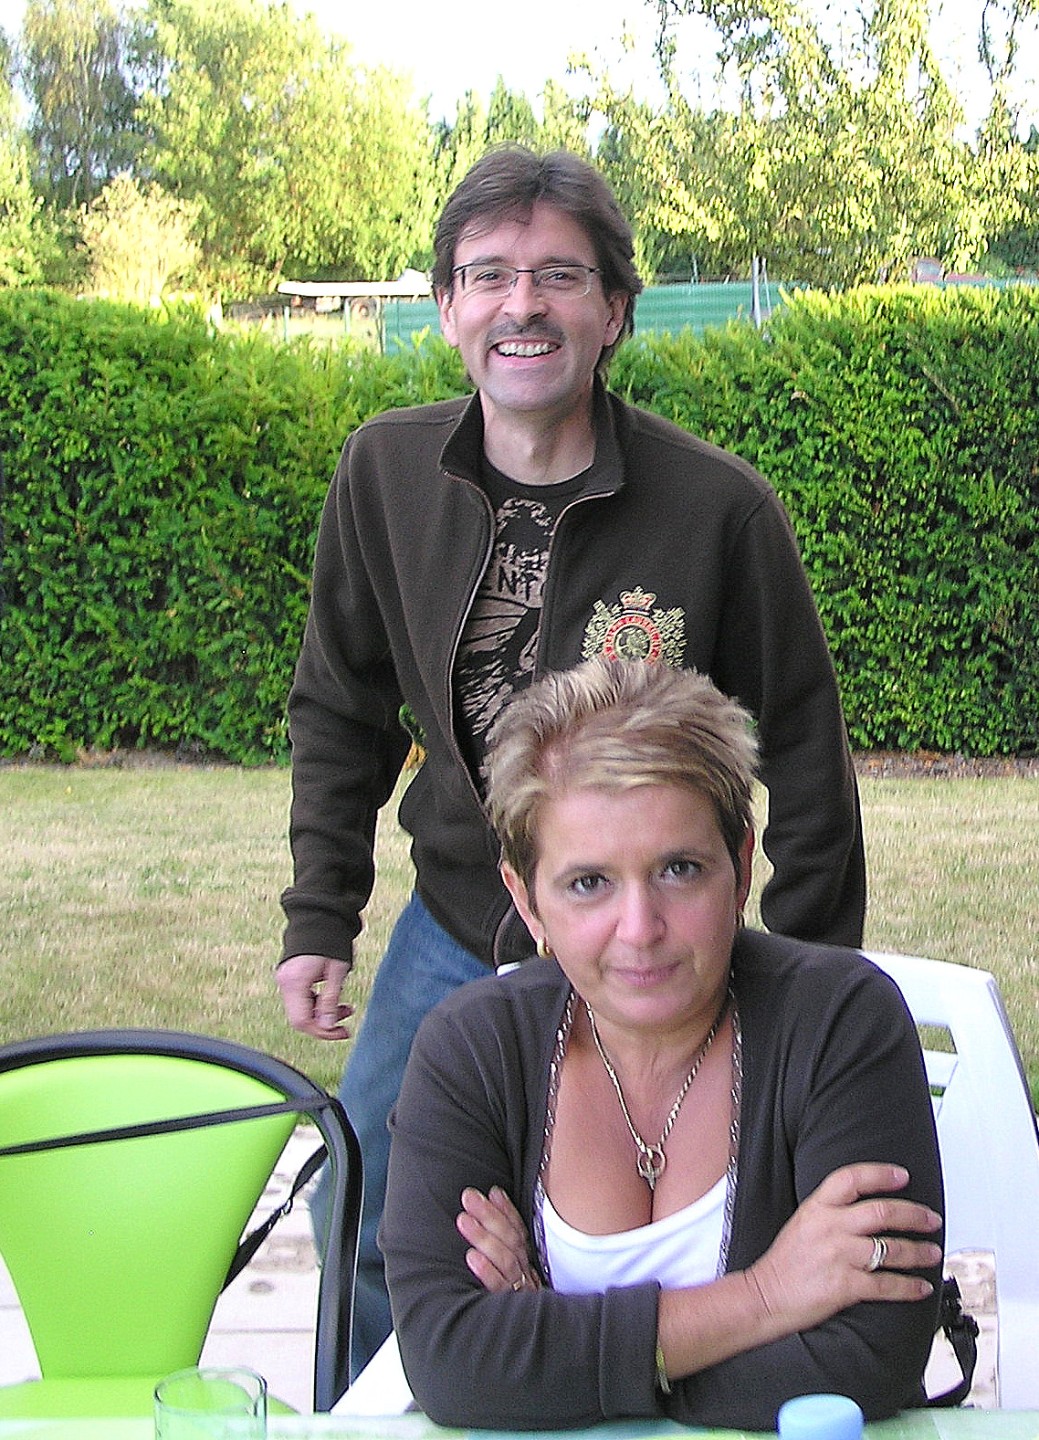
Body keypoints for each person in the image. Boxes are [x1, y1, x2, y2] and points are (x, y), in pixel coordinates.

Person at [277, 144, 867, 1376]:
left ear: (614, 311)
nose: (522, 304)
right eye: (487, 275)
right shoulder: (383, 476)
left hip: (660, 948)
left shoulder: (719, 511)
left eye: (559, 275)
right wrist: (319, 912)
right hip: (457, 927)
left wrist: (808, 983)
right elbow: (340, 705)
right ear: (447, 308)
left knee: (685, 1236)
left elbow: (806, 755)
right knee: (378, 1219)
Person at [381, 657, 943, 1430]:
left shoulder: (840, 1021)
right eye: (588, 884)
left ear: (739, 865)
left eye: (679, 869)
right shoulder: (471, 1050)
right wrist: (763, 1299)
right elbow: (450, 1362)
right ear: (525, 899)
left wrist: (552, 1352)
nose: (640, 929)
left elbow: (868, 1359)